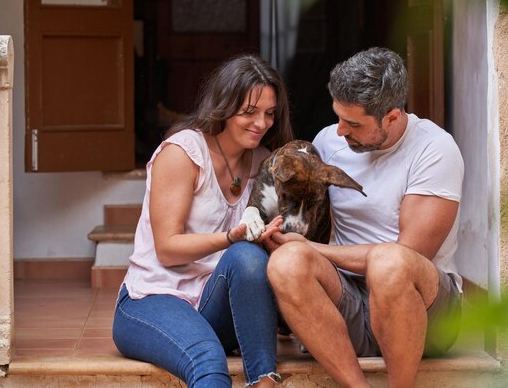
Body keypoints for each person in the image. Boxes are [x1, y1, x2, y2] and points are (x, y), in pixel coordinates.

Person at [265, 47, 464, 388]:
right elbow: (300, 210)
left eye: (353, 123)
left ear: (392, 117)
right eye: (338, 117)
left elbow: (409, 255)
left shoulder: (435, 149)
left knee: (389, 264)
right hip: (351, 301)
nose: (340, 130)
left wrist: (317, 251)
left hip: (424, 309)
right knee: (286, 263)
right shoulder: (330, 141)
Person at [112, 54, 294, 388]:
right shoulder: (183, 153)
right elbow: (167, 249)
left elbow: (250, 260)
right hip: (151, 300)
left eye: (269, 114)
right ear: (224, 107)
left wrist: (269, 239)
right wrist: (231, 237)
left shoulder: (264, 162)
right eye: (249, 112)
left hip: (212, 305)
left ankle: (264, 382)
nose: (261, 123)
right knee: (209, 361)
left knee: (249, 258)